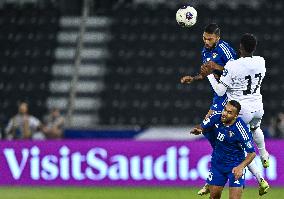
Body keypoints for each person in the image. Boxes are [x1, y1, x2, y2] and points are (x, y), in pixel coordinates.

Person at [181, 24, 268, 196]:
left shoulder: (226, 51)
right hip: (238, 100)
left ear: (218, 38)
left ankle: (258, 178)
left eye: (210, 38)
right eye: (204, 38)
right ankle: (262, 157)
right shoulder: (206, 51)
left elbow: (233, 71)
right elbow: (212, 72)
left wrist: (214, 69)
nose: (206, 41)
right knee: (208, 129)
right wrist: (196, 78)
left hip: (228, 96)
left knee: (227, 137)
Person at [205, 33, 270, 169]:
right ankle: (264, 155)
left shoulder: (233, 65)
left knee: (238, 147)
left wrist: (209, 75)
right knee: (255, 128)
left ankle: (259, 178)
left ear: (240, 47)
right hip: (258, 107)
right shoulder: (261, 61)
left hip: (242, 109)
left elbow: (220, 91)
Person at [191, 100, 257, 199]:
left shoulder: (241, 129)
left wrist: (241, 167)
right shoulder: (216, 116)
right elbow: (201, 126)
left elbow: (252, 153)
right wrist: (199, 129)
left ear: (235, 116)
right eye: (225, 110)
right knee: (214, 197)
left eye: (229, 112)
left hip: (234, 167)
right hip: (218, 165)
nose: (225, 113)